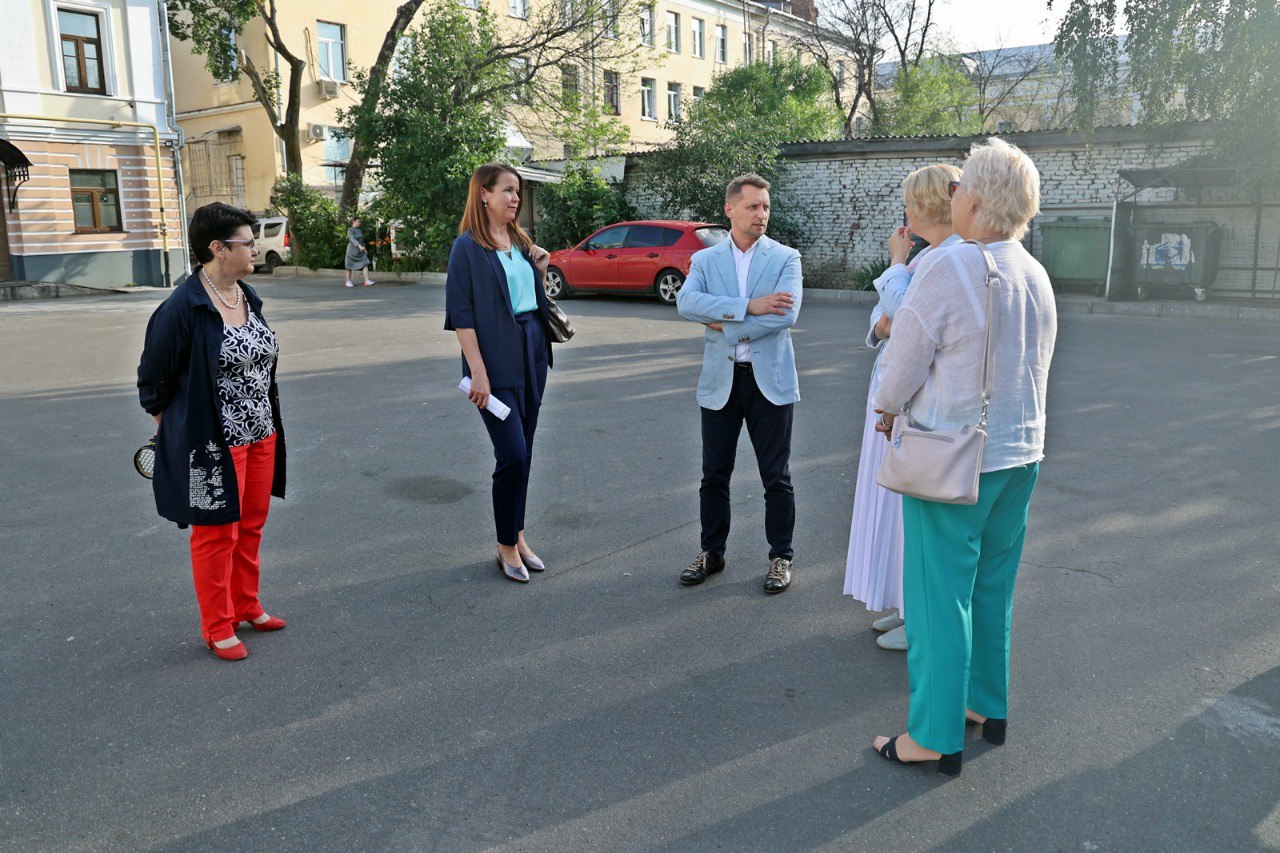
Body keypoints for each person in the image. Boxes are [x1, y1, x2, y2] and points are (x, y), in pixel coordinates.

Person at [869, 138, 1057, 775]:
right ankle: (985, 706)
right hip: (1020, 454)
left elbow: (903, 361)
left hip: (953, 456)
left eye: (961, 187)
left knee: (936, 597)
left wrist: (888, 407)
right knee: (991, 591)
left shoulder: (951, 267)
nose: (955, 197)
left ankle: (933, 734)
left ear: (976, 198)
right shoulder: (1034, 271)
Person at [137, 203, 288, 662]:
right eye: (247, 241)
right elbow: (152, 382)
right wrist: (175, 431)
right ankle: (217, 624)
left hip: (261, 432)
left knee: (251, 524)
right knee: (216, 532)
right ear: (219, 249)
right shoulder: (182, 307)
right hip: (212, 442)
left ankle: (246, 604)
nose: (255, 248)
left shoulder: (247, 296)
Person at [844, 164, 963, 652]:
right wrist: (890, 312)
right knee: (893, 507)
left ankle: (921, 621)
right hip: (891, 395)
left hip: (914, 405)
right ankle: (905, 604)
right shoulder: (929, 256)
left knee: (911, 511)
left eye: (911, 203)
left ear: (931, 204)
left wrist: (894, 266)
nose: (906, 212)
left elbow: (905, 312)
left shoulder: (950, 256)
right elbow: (884, 317)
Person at [675, 173, 802, 594]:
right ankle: (712, 552)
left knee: (776, 476)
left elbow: (785, 315)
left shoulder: (786, 258)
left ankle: (780, 557)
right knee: (714, 475)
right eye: (752, 206)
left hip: (770, 383)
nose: (761, 214)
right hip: (720, 382)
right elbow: (687, 302)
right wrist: (749, 306)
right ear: (730, 209)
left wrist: (726, 325)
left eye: (765, 206)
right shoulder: (707, 260)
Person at [444, 163, 555, 584]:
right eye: (507, 190)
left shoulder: (521, 242)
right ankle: (505, 545)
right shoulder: (467, 248)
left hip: (531, 353)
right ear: (484, 195)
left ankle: (519, 537)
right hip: (492, 362)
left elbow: (529, 301)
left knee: (524, 451)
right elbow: (462, 315)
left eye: (518, 192)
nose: (515, 198)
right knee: (512, 454)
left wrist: (539, 272)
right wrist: (478, 373)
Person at [345, 217, 374, 288]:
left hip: (360, 250)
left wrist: (364, 249)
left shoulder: (359, 230)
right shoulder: (350, 230)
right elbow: (352, 239)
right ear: (353, 222)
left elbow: (361, 240)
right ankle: (348, 281)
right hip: (352, 250)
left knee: (365, 263)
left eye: (360, 222)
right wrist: (359, 246)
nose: (359, 223)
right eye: (358, 221)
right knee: (349, 265)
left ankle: (367, 281)